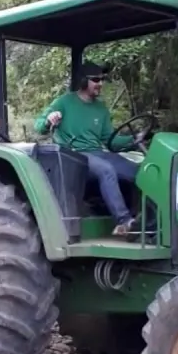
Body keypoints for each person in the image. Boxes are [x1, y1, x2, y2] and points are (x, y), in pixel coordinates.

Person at [34, 62, 143, 235]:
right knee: (105, 170)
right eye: (96, 80)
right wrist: (49, 120)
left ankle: (144, 220)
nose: (100, 83)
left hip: (98, 152)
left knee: (140, 172)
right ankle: (123, 221)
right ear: (84, 81)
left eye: (102, 80)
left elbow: (110, 141)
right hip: (74, 155)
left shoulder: (101, 109)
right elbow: (39, 126)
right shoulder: (65, 102)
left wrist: (135, 138)